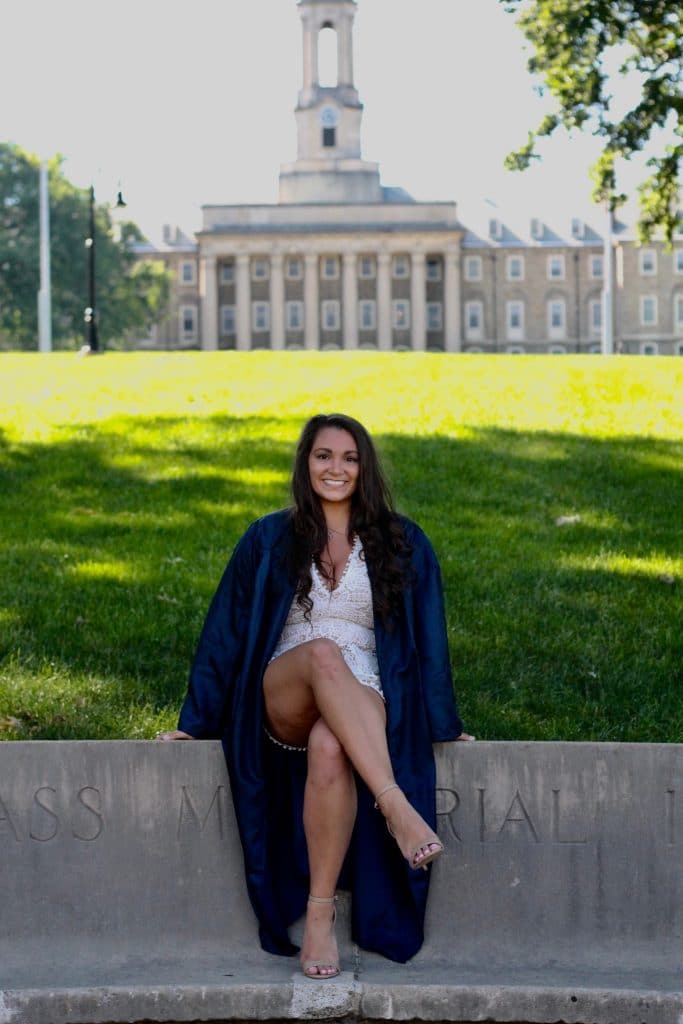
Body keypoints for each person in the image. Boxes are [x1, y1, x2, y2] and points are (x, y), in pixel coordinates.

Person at [157, 413, 473, 977]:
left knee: (332, 745)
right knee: (324, 651)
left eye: (350, 458)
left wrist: (443, 724)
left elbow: (430, 637)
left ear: (364, 468)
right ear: (306, 464)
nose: (337, 468)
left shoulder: (402, 541)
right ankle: (397, 806)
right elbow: (225, 632)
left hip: (365, 688)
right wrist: (196, 721)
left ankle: (320, 917)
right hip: (289, 682)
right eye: (324, 455)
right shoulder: (268, 536)